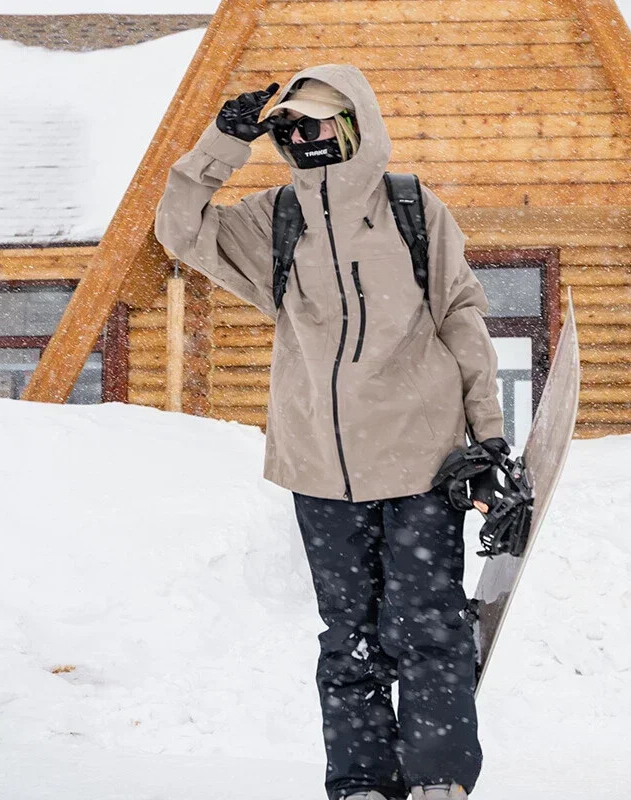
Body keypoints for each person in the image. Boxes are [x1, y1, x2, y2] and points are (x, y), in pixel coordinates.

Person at [154, 63, 508, 800]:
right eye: (288, 128)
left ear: (352, 124)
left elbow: (461, 317)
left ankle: (439, 780)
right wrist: (222, 144)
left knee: (429, 627)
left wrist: (488, 439)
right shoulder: (274, 219)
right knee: (348, 638)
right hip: (321, 467)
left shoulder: (413, 208)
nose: (300, 138)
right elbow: (179, 231)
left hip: (421, 460)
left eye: (312, 122)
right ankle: (361, 784)